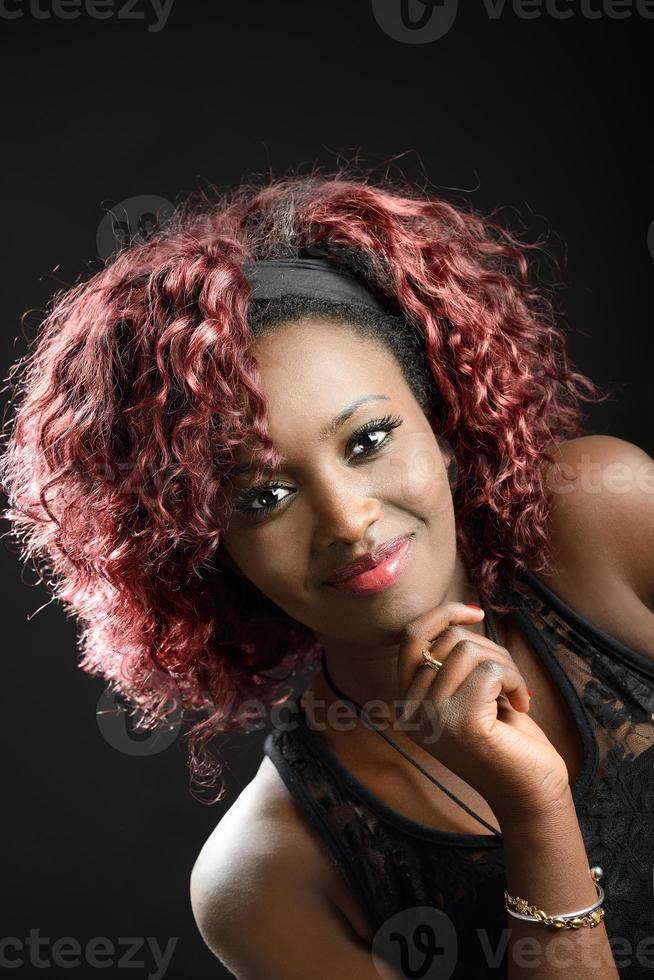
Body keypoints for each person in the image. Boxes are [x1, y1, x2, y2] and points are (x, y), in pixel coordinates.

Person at [1, 169, 652, 979]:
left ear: (444, 421)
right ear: (205, 545)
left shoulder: (611, 519)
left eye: (369, 440)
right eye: (265, 495)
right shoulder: (263, 880)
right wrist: (534, 813)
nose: (347, 522)